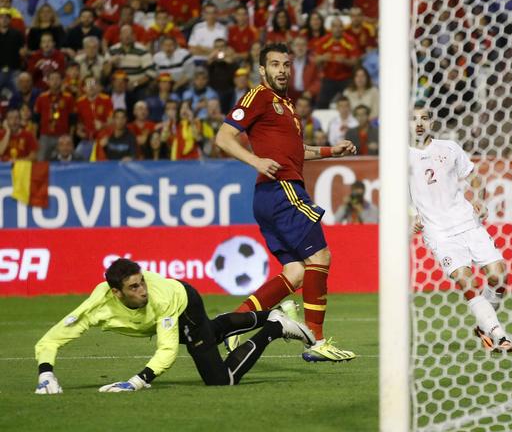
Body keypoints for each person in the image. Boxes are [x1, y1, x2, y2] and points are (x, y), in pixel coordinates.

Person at [214, 43, 356, 363]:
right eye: (275, 64)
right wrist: (255, 161)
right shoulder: (258, 96)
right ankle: (316, 341)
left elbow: (297, 151)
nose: (281, 70)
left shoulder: (286, 106)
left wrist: (333, 151)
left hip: (271, 195)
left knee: (294, 272)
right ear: (262, 70)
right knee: (320, 256)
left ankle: (232, 326)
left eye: (286, 65)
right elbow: (223, 137)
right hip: (282, 190)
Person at [33, 257, 314, 394]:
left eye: (142, 281)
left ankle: (274, 327)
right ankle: (273, 313)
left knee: (220, 380)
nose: (142, 289)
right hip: (171, 313)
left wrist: (137, 381)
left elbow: (167, 350)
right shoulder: (98, 307)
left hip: (183, 303)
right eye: (134, 287)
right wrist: (46, 373)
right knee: (211, 333)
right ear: (116, 293)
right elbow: (52, 338)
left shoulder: (160, 298)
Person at [409, 107, 512, 353]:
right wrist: (411, 215)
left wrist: (478, 198)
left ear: (432, 121)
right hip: (439, 232)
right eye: (413, 119)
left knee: (499, 276)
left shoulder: (449, 147)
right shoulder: (400, 156)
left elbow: (474, 177)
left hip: (468, 222)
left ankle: (483, 326)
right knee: (465, 279)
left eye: (425, 118)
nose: (419, 124)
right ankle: (498, 334)